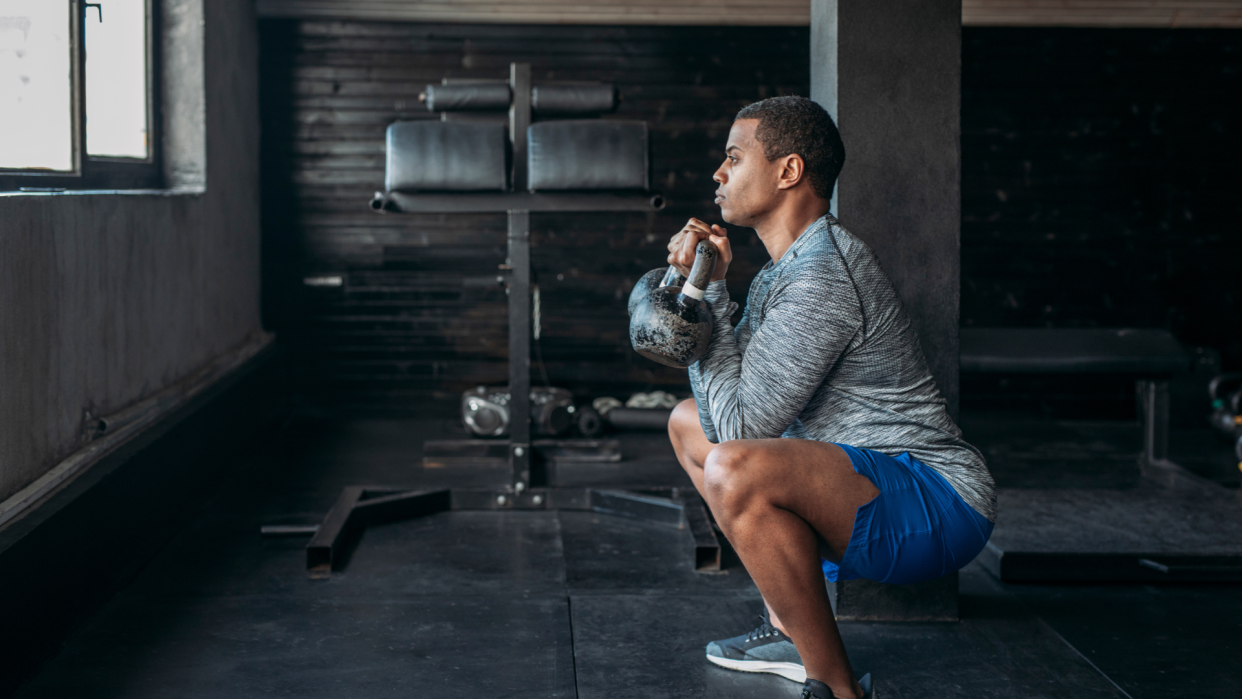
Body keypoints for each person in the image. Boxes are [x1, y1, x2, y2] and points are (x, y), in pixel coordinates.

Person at [664, 96, 996, 699]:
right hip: (866, 478)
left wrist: (707, 292)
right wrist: (694, 285)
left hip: (935, 498)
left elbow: (741, 429)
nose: (718, 173)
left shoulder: (821, 276)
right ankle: (787, 629)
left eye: (733, 158)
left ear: (788, 171)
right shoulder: (779, 271)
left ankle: (838, 687)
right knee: (688, 424)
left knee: (733, 464)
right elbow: (723, 403)